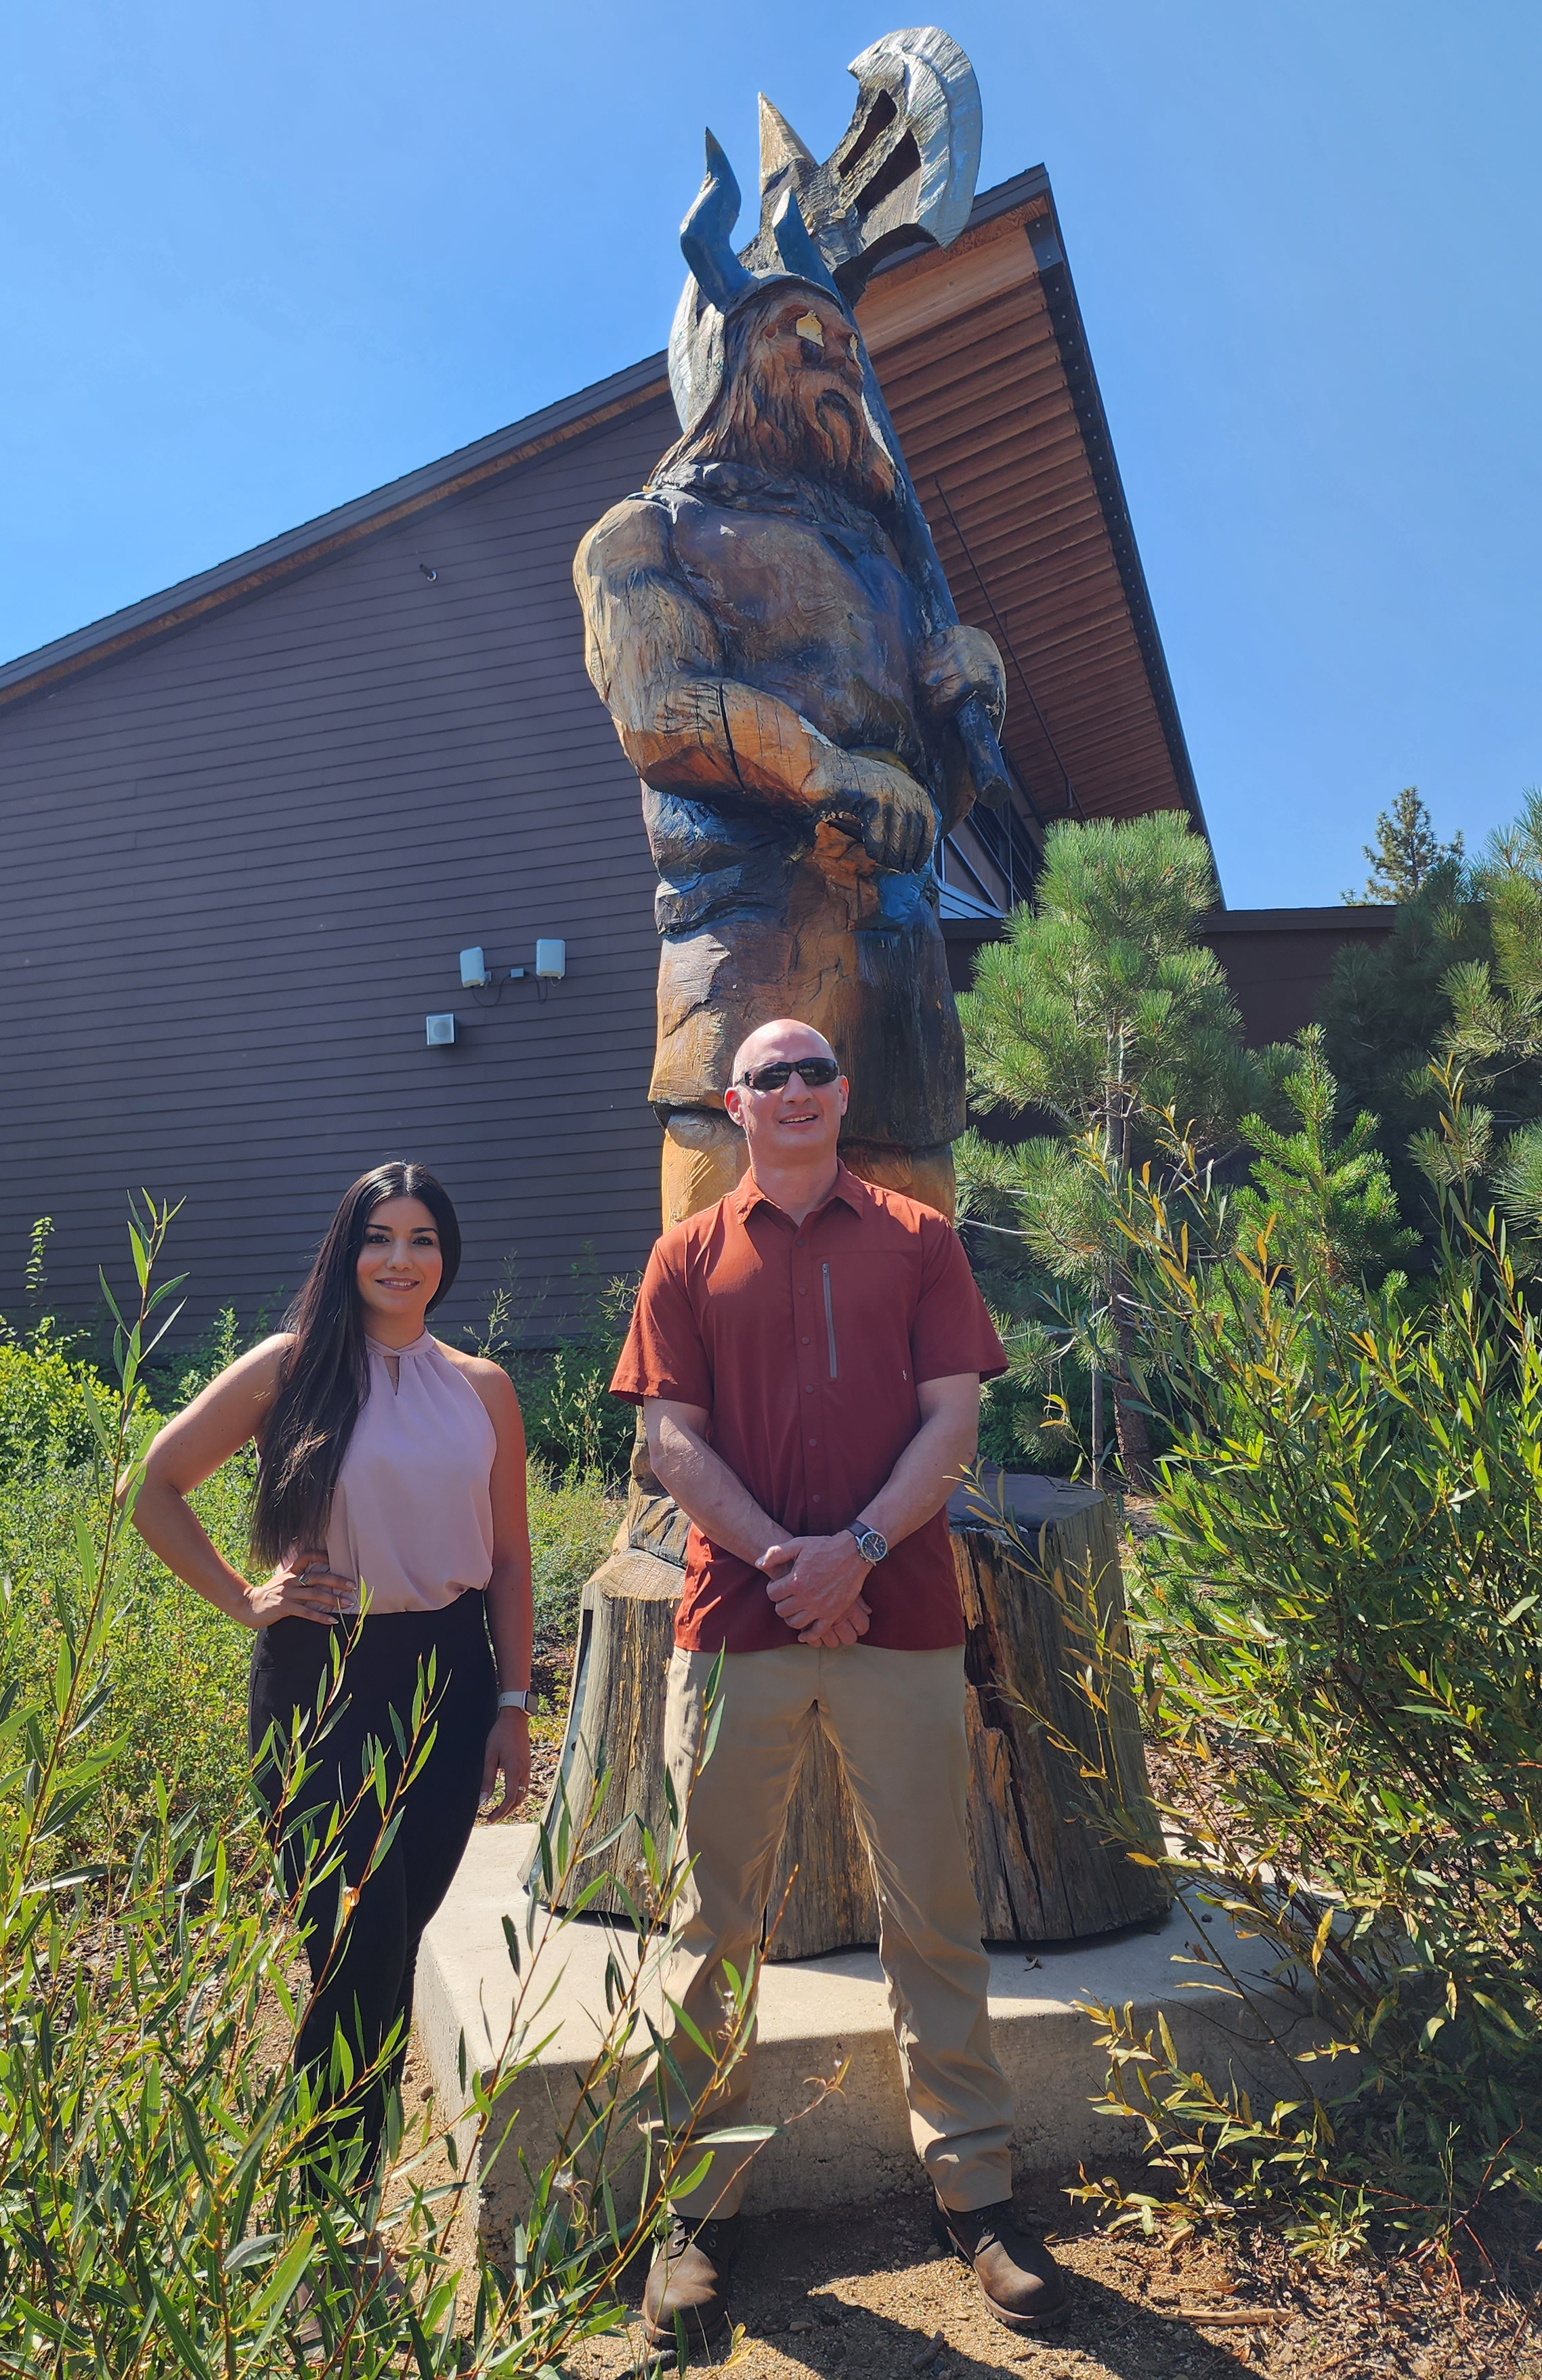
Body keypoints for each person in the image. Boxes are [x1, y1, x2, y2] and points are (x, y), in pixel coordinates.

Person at [610, 1019, 1067, 2353]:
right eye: (769, 1074)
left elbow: (951, 1418)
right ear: (732, 1101)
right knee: (708, 1923)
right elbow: (665, 1438)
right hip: (735, 1626)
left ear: (841, 1094)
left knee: (931, 1911)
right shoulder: (685, 1254)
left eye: (814, 1070)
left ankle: (975, 2191)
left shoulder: (919, 1241)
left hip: (900, 1619)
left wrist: (856, 1549)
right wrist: (785, 1562)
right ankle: (694, 2216)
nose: (795, 1089)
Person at [132, 1161, 534, 2211]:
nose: (401, 1260)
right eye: (380, 1237)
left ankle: (330, 2191)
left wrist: (513, 1704)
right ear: (348, 1249)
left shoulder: (485, 1385)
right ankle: (323, 2201)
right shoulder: (292, 1366)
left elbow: (512, 1561)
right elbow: (157, 1486)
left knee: (392, 1940)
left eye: (422, 1239)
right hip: (324, 1679)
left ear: (446, 1256)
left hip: (450, 1678)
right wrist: (244, 1598)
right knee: (355, 1943)